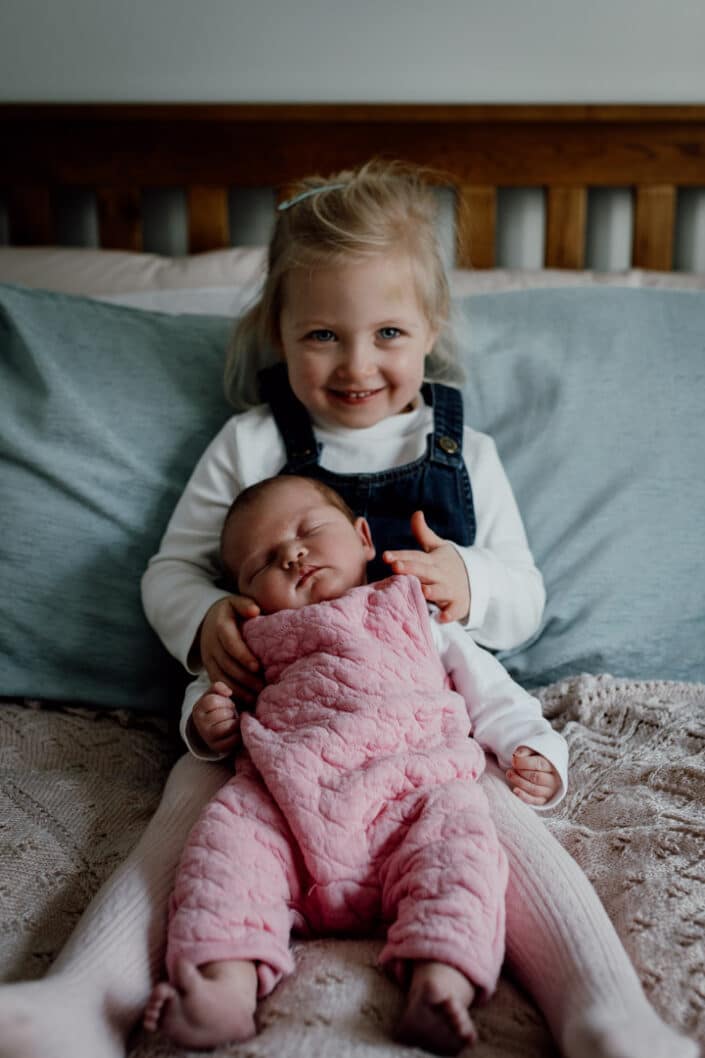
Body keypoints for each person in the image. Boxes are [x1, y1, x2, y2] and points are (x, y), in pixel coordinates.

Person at [0, 161, 697, 1058]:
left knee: (493, 824)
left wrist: (468, 582)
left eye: (389, 332)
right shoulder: (251, 441)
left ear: (430, 331)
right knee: (194, 808)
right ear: (277, 333)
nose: (357, 363)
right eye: (322, 333)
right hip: (271, 719)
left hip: (425, 718)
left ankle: (604, 1013)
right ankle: (82, 998)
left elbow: (522, 597)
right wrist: (205, 617)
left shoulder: (465, 451)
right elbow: (171, 569)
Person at [144, 474, 568, 1054]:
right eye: (264, 561)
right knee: (228, 843)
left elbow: (493, 691)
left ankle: (440, 981)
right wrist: (207, 721)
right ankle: (222, 987)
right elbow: (207, 693)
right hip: (290, 806)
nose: (292, 553)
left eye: (309, 531)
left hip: (414, 792)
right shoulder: (252, 638)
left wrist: (536, 746)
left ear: (364, 537)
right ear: (242, 594)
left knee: (461, 842)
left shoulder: (415, 610)